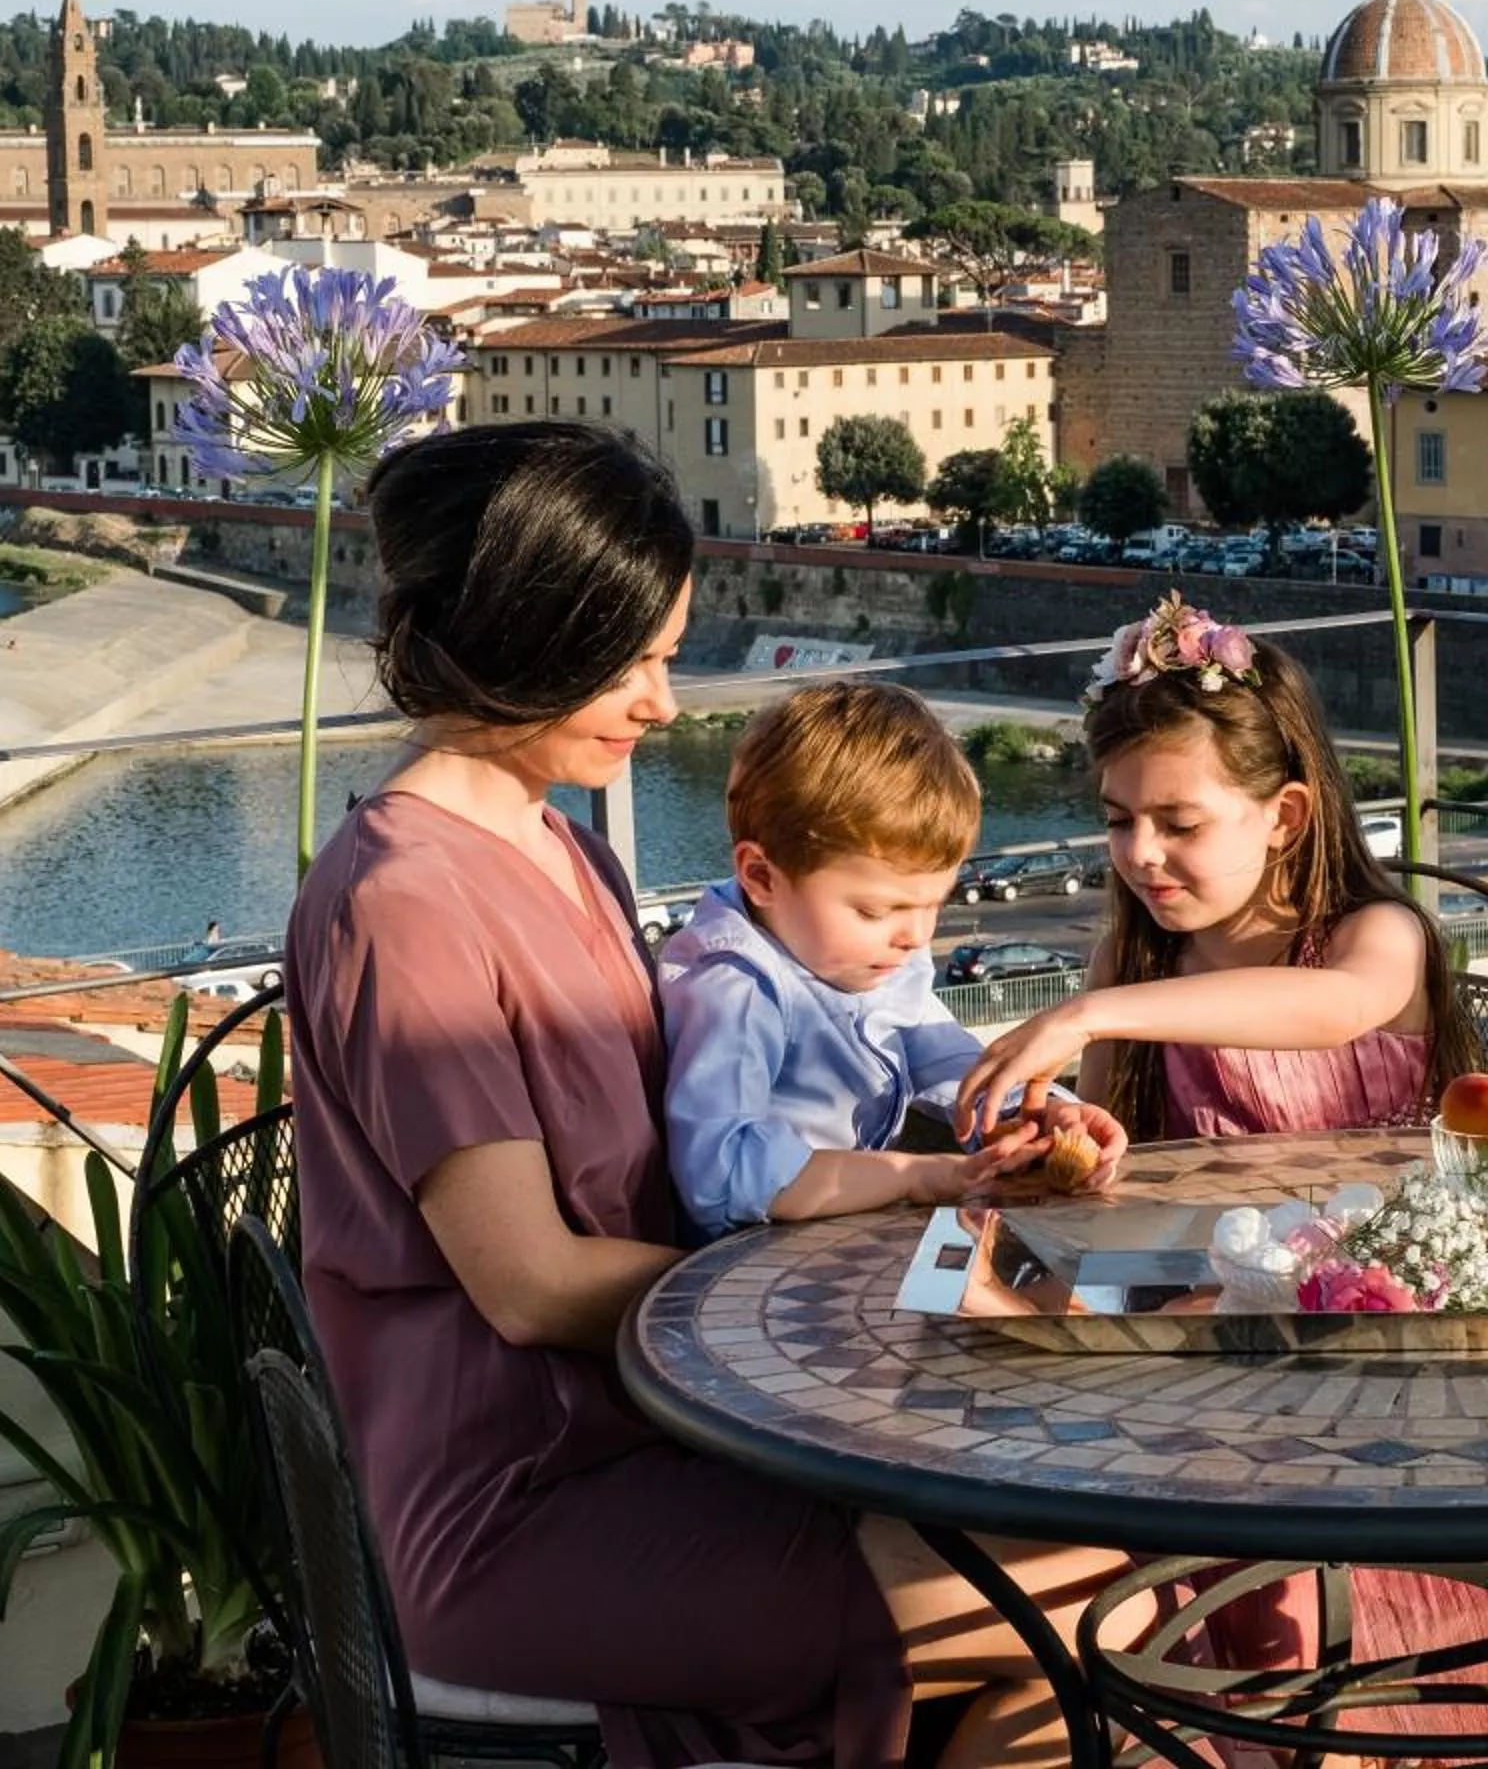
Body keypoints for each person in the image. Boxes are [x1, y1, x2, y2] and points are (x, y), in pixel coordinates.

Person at [284, 421, 1121, 1769]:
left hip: (674, 1429)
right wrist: (858, 1267)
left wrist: (949, 1176)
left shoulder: (565, 852)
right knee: (1110, 1588)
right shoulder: (408, 904)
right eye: (636, 663)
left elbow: (702, 1157)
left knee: (1100, 1576)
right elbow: (531, 1285)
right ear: (530, 637)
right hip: (527, 1508)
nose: (665, 705)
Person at [957, 592, 1488, 1751]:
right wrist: (1077, 1141)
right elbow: (1108, 1185)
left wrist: (1095, 1009)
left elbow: (1334, 1008)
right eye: (1117, 820)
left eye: (1178, 821)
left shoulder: (1376, 936)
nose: (1139, 854)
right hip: (1225, 1369)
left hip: (1406, 1374)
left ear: (1286, 813)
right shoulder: (1134, 958)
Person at [657, 680, 1119, 1237]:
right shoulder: (736, 988)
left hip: (835, 1237)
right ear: (761, 877)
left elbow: (942, 1056)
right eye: (876, 911)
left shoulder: (869, 954)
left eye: (934, 904)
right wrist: (915, 1177)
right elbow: (722, 1174)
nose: (915, 935)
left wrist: (1034, 1114)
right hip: (752, 1256)